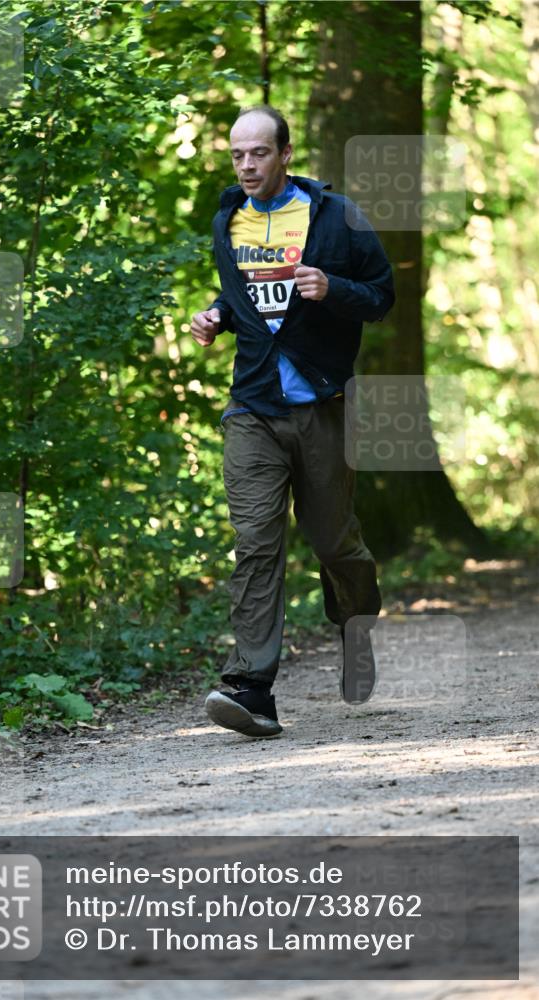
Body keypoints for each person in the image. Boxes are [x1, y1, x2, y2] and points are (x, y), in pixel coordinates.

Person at [191, 105, 395, 738]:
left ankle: (355, 624)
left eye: (258, 153)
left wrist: (332, 287)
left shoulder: (338, 216)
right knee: (255, 542)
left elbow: (382, 295)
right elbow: (246, 294)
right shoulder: (229, 217)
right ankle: (251, 687)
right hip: (252, 406)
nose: (247, 165)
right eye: (237, 155)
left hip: (322, 404)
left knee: (334, 542)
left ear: (285, 153)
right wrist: (217, 315)